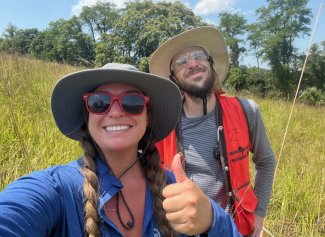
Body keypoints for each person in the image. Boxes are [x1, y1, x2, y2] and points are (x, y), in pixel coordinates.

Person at [0, 63, 242, 237]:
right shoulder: (53, 189)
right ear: (87, 116)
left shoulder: (174, 191)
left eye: (133, 102)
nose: (115, 111)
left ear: (148, 116)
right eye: (99, 102)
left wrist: (211, 219)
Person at [149, 26, 276, 237]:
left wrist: (259, 215)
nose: (192, 63)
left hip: (237, 228)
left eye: (198, 56)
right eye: (181, 62)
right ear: (173, 78)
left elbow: (266, 162)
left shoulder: (247, 110)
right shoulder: (160, 122)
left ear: (210, 64)